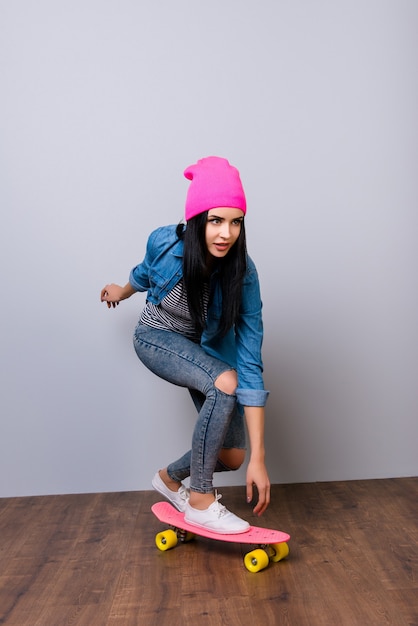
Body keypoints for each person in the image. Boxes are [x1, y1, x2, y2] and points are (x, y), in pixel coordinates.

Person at [101, 156, 270, 534]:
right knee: (224, 381)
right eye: (215, 220)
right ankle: (200, 499)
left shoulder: (243, 276)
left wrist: (259, 456)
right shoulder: (165, 242)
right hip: (155, 338)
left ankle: (168, 478)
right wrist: (122, 290)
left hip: (201, 353)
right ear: (197, 221)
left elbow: (251, 362)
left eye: (235, 222)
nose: (226, 233)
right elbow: (143, 274)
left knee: (231, 455)